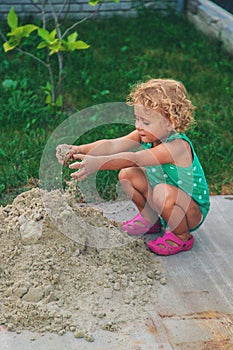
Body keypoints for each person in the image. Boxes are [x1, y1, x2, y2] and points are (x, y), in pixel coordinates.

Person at [56, 78, 210, 256]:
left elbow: (135, 158)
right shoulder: (145, 135)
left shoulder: (177, 147)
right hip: (165, 198)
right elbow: (113, 145)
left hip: (190, 211)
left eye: (146, 122)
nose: (138, 126)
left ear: (171, 122)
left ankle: (181, 236)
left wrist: (97, 164)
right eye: (137, 119)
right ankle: (151, 219)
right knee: (128, 175)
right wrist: (79, 149)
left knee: (160, 190)